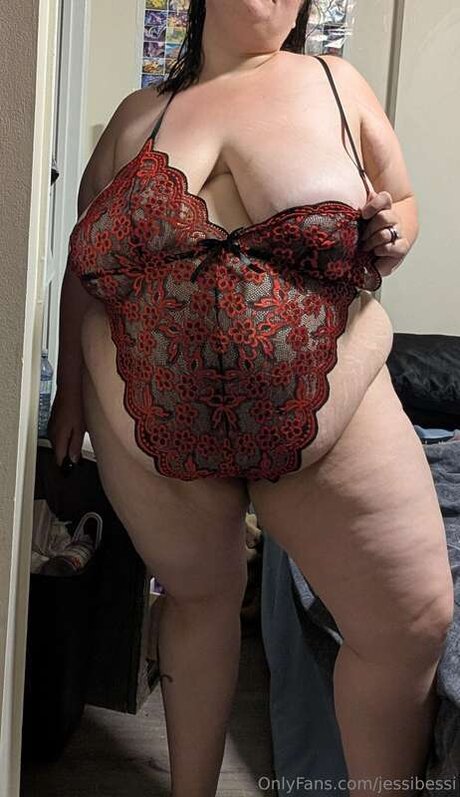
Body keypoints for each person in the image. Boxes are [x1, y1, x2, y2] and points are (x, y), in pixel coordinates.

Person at [48, 1, 454, 795]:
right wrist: (67, 389)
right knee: (197, 602)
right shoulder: (139, 114)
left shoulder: (336, 83)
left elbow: (400, 202)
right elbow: (83, 264)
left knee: (411, 623)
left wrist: (394, 233)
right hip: (146, 420)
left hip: (325, 396)